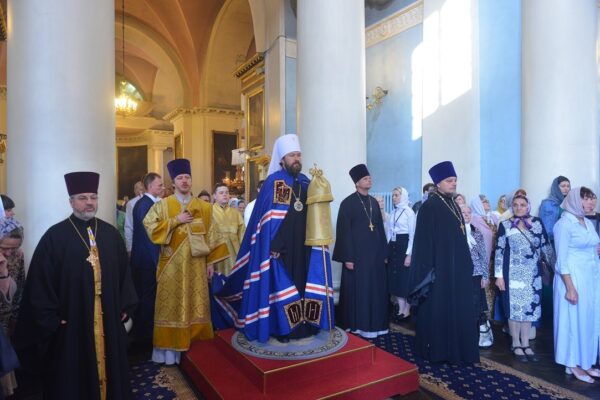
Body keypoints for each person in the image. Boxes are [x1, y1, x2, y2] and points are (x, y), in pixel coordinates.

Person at [14, 171, 137, 399]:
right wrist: (51, 317)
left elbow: (124, 275)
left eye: (93, 197)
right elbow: (40, 282)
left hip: (108, 318)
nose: (89, 202)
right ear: (71, 201)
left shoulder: (110, 234)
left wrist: (124, 305)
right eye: (82, 197)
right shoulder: (55, 237)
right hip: (73, 322)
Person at [213, 134, 334, 343]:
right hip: (281, 248)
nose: (296, 159)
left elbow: (315, 214)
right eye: (292, 155)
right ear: (282, 159)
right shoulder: (275, 182)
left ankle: (306, 325)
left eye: (298, 155)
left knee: (303, 283)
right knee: (282, 286)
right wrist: (274, 244)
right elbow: (270, 220)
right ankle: (283, 329)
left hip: (304, 246)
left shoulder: (306, 182)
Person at [143, 159, 228, 365]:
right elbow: (150, 226)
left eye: (187, 177)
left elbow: (212, 235)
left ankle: (197, 351)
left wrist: (210, 263)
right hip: (170, 266)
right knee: (170, 307)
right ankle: (169, 353)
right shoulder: (162, 205)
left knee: (195, 305)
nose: (184, 181)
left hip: (196, 266)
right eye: (180, 178)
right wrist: (175, 221)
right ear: (173, 182)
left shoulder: (204, 207)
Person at [408, 161, 479, 364]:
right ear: (438, 183)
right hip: (439, 272)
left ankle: (458, 350)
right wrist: (430, 272)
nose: (453, 183)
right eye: (449, 180)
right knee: (439, 311)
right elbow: (423, 244)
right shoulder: (429, 207)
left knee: (458, 310)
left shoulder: (454, 204)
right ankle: (439, 351)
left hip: (458, 271)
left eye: (455, 180)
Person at [495, 194, 554, 363]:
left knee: (529, 309)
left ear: (528, 206)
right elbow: (499, 251)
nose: (519, 207)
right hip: (512, 273)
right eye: (515, 205)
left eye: (522, 204)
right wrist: (499, 276)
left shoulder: (537, 223)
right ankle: (515, 342)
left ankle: (526, 343)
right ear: (512, 207)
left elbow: (546, 247)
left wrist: (557, 268)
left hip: (533, 274)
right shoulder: (505, 224)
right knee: (514, 309)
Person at [333, 164, 389, 338]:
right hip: (357, 256)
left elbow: (380, 229)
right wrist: (348, 257)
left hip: (375, 256)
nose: (369, 180)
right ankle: (357, 325)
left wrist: (384, 253)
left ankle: (376, 325)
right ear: (357, 183)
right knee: (360, 290)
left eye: (369, 178)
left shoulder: (373, 202)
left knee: (376, 290)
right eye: (365, 178)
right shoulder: (347, 203)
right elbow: (343, 232)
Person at [553, 187, 600, 383]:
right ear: (574, 201)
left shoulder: (587, 222)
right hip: (572, 277)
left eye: (593, 199)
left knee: (587, 320)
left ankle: (585, 361)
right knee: (572, 321)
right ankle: (571, 363)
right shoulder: (564, 224)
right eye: (587, 199)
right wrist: (570, 288)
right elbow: (561, 259)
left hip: (590, 277)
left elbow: (590, 247)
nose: (592, 202)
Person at [130, 172, 164, 350]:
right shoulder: (146, 205)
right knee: (147, 299)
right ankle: (145, 340)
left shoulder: (145, 203)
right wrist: (157, 261)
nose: (163, 188)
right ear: (150, 186)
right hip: (147, 261)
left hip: (143, 259)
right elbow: (148, 236)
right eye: (160, 185)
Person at [460, 205, 492, 348]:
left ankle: (476, 335)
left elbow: (483, 255)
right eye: (463, 212)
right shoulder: (453, 231)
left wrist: (485, 276)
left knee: (475, 304)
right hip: (459, 274)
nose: (466, 215)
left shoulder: (475, 231)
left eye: (469, 213)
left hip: (475, 273)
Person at [0, 218, 25, 397]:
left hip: (7, 319)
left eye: (13, 248)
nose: (9, 253)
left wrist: (15, 318)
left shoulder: (18, 256)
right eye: (4, 248)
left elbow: (20, 287)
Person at [385, 187, 416, 321]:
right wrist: (387, 251)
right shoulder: (393, 212)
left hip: (404, 246)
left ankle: (407, 310)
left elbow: (412, 235)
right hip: (394, 247)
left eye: (396, 195)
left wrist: (409, 254)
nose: (394, 197)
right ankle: (400, 309)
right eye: (393, 195)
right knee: (395, 279)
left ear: (403, 196)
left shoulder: (409, 212)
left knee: (404, 279)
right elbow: (389, 232)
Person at [211, 183, 245, 276]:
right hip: (216, 252)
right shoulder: (209, 211)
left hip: (234, 252)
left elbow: (242, 234)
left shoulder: (236, 213)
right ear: (214, 196)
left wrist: (243, 252)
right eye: (221, 193)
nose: (225, 195)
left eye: (226, 192)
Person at [539, 176, 570, 245]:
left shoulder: (569, 204)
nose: (566, 188)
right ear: (556, 188)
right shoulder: (548, 204)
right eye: (563, 186)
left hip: (566, 241)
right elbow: (547, 229)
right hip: (552, 242)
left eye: (568, 186)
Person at [124, 181, 145, 255]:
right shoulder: (131, 203)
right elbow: (128, 226)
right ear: (134, 190)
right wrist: (129, 248)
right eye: (137, 188)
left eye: (141, 189)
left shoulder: (157, 200)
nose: (140, 191)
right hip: (137, 242)